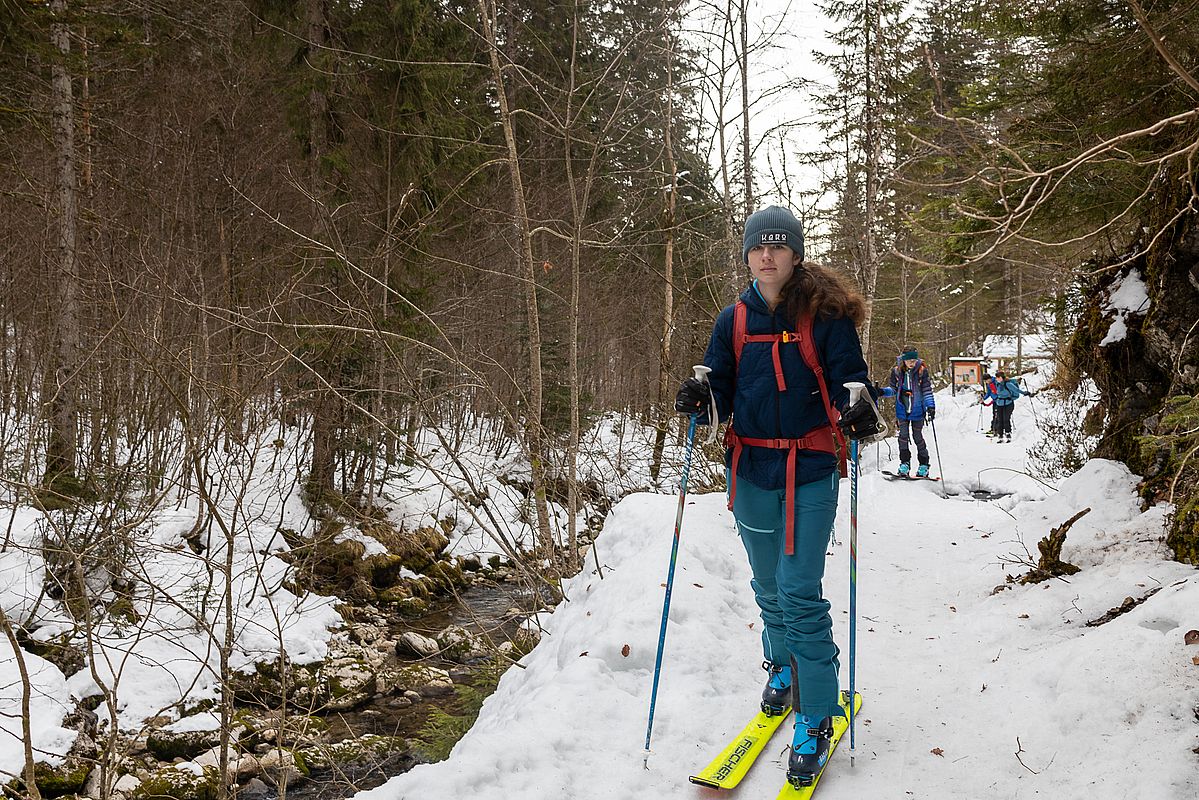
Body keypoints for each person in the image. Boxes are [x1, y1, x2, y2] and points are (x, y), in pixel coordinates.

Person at [674, 205, 882, 788]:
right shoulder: (732, 320)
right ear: (748, 255)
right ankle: (783, 668)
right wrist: (700, 396)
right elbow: (720, 391)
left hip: (811, 466)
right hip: (750, 467)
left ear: (794, 254)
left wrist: (859, 407)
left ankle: (816, 713)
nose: (767, 256)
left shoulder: (827, 316)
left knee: (799, 592)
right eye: (758, 248)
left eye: (778, 247)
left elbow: (851, 380)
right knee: (767, 587)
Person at [882, 348, 935, 477]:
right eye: (909, 360)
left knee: (918, 437)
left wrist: (931, 406)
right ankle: (904, 464)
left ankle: (924, 464)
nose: (912, 362)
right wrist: (881, 392)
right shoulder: (896, 371)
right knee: (903, 437)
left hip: (917, 410)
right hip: (902, 410)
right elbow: (893, 389)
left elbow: (927, 390)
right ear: (903, 360)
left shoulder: (921, 371)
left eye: (914, 360)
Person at [983, 370, 1021, 442]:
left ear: (989, 378)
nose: (986, 382)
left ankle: (1004, 432)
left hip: (1002, 401)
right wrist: (984, 399)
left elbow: (1004, 386)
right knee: (996, 416)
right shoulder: (989, 384)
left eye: (986, 381)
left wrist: (1016, 381)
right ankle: (997, 431)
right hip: (996, 401)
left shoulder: (996, 381)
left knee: (1003, 417)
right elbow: (989, 393)